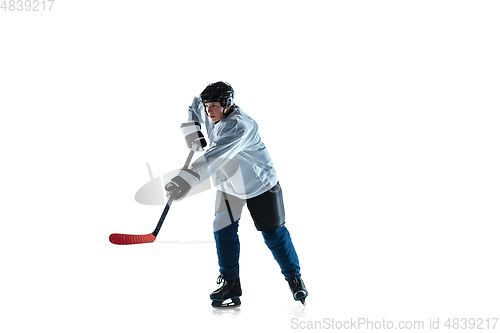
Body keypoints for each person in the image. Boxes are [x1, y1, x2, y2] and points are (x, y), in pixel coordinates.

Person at [165, 82, 308, 308]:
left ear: (228, 104)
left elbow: (214, 157)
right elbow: (194, 106)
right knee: (223, 231)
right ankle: (231, 283)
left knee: (273, 235)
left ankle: (294, 278)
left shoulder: (240, 127)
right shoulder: (209, 109)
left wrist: (183, 181)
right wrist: (194, 131)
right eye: (208, 105)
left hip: (259, 184)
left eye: (214, 105)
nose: (209, 110)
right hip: (229, 184)